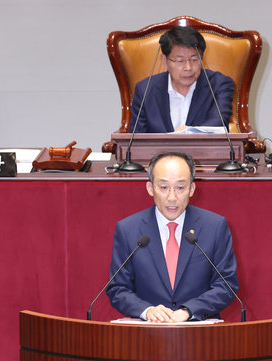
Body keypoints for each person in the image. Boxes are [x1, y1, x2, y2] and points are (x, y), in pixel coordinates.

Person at [106, 152, 239, 322]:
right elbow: (117, 288)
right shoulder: (128, 229)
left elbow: (226, 285)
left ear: (191, 189)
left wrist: (188, 311)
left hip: (200, 332)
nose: (172, 197)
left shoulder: (214, 226)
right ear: (150, 188)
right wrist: (146, 311)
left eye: (180, 188)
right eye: (163, 187)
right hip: (146, 334)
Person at [129, 26, 235, 133]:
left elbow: (218, 125)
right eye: (180, 61)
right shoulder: (145, 90)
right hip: (157, 151)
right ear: (164, 61)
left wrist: (187, 132)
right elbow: (136, 140)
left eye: (194, 59)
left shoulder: (219, 85)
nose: (188, 67)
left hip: (205, 150)